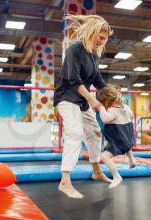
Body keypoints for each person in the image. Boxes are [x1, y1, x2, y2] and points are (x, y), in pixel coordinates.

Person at [53, 14, 113, 198]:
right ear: (92, 32)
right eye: (101, 37)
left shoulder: (94, 55)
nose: (102, 41)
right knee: (76, 133)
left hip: (82, 101)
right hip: (67, 98)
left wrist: (113, 97)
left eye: (105, 39)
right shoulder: (75, 50)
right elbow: (73, 80)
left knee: (95, 133)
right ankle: (64, 182)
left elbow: (97, 80)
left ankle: (96, 170)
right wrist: (93, 100)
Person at [97, 85, 136, 189]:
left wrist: (101, 109)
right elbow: (132, 116)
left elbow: (105, 119)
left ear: (106, 102)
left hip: (119, 141)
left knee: (104, 157)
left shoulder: (112, 111)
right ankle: (132, 160)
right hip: (129, 139)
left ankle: (116, 176)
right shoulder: (126, 108)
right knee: (127, 144)